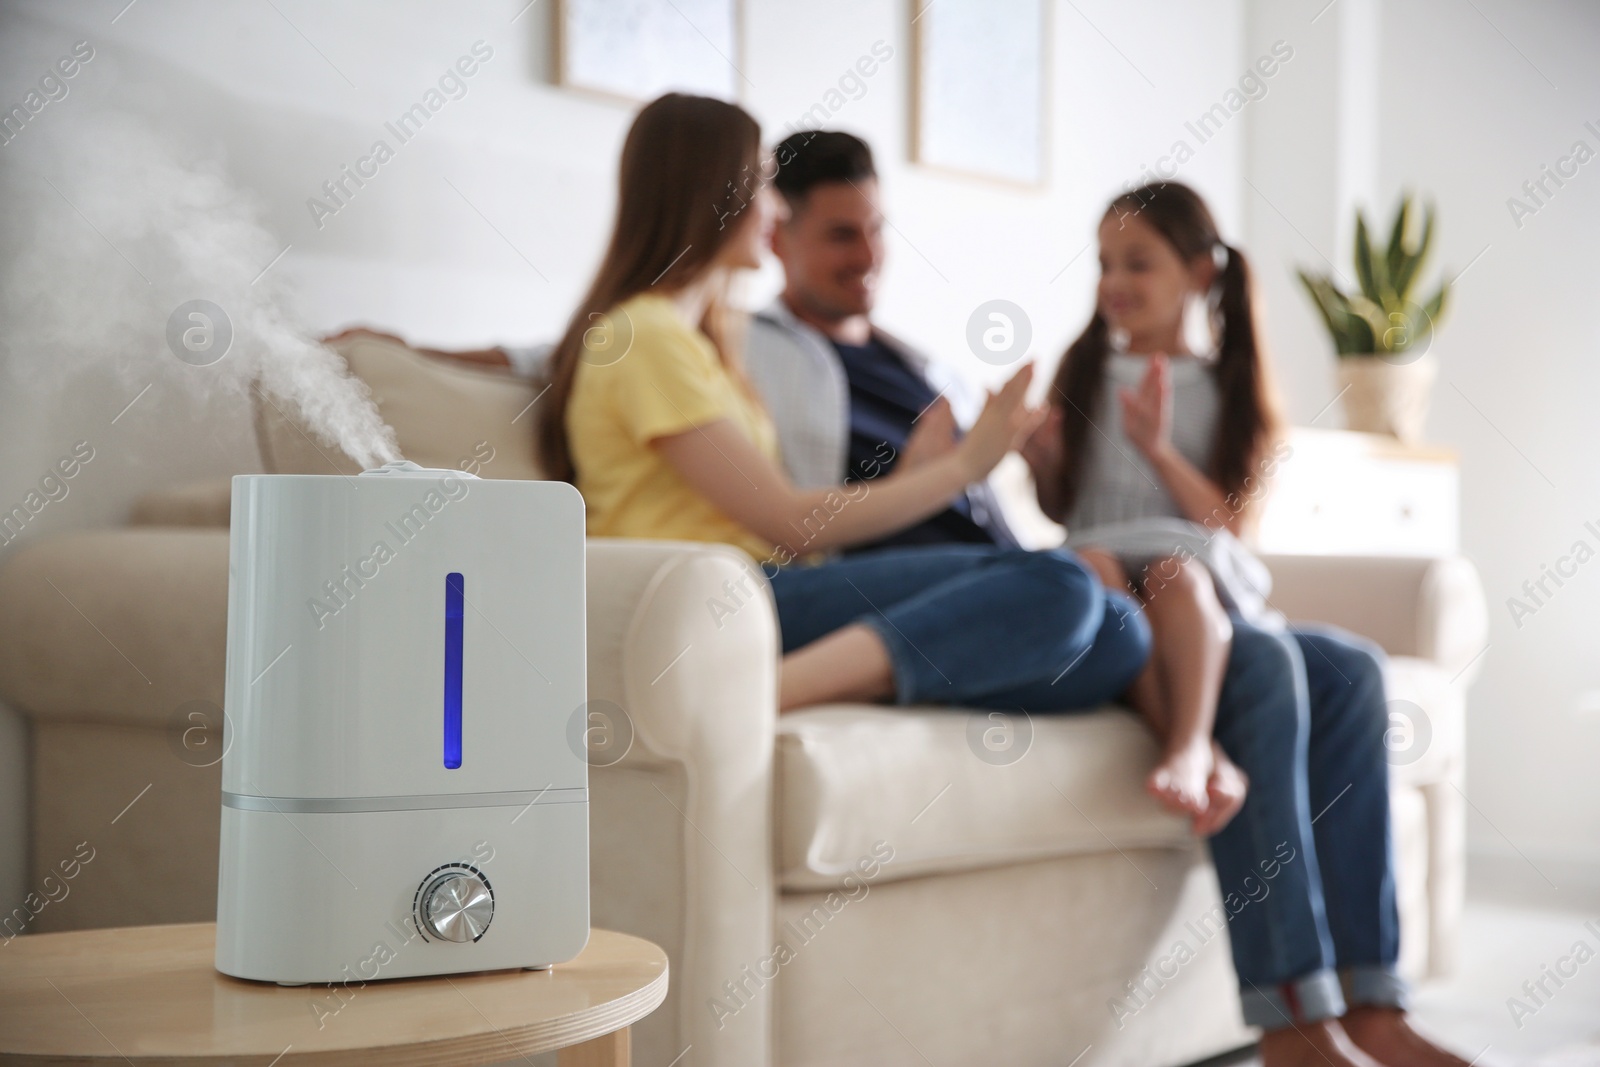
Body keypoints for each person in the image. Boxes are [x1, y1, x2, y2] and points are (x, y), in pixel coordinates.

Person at [1028, 180, 1474, 1067]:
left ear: (1199, 271)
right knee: (1266, 662)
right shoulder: (1080, 374)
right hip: (1126, 598)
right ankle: (1292, 1022)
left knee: (1350, 666)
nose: (1117, 281)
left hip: (1213, 586)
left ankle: (1373, 1002)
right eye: (1106, 263)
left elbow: (1230, 522)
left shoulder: (1232, 384)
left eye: (1139, 263)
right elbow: (1061, 507)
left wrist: (1157, 447)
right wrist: (1040, 456)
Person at [538, 92, 1149, 716]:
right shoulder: (643, 336)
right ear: (713, 196)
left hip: (773, 589)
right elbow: (789, 524)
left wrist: (920, 473)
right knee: (1063, 584)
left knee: (1119, 636)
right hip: (726, 597)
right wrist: (962, 470)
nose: (774, 209)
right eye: (764, 187)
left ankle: (873, 671)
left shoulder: (701, 340)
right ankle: (752, 698)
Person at [745, 130, 1246, 830]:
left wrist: (1018, 460)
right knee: (1080, 582)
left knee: (1128, 631)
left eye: (876, 230)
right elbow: (783, 505)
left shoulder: (922, 365)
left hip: (1001, 572)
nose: (867, 256)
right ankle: (1199, 748)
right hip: (907, 577)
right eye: (839, 235)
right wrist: (942, 473)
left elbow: (987, 490)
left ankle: (1204, 762)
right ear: (776, 236)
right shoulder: (750, 351)